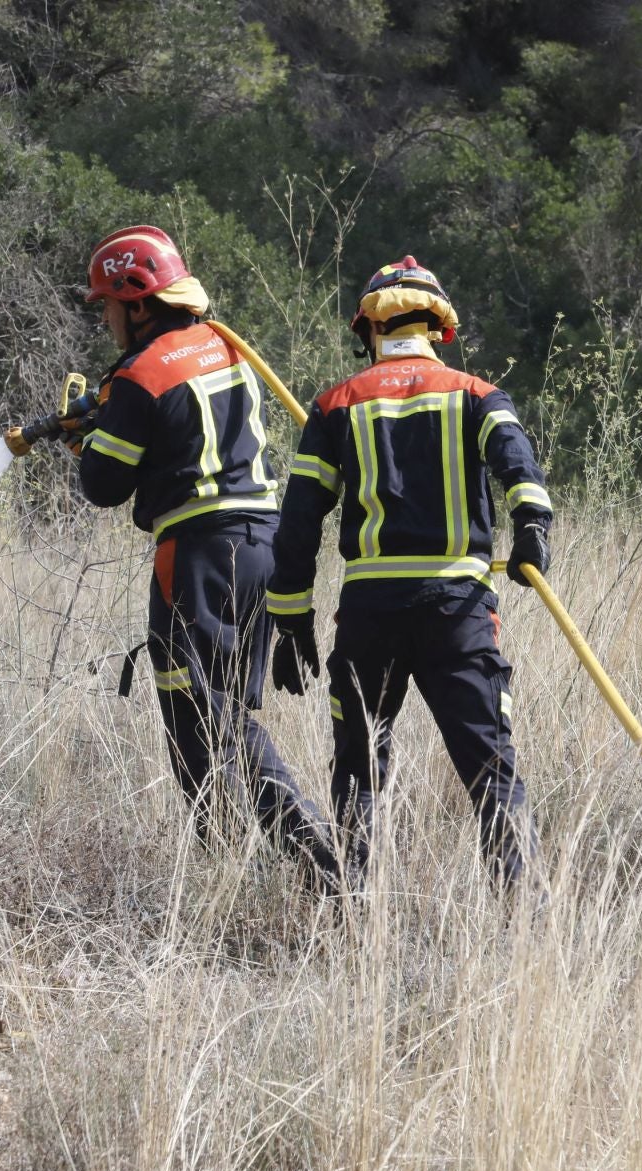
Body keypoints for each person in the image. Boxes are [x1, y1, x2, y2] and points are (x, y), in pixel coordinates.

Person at [266, 255, 551, 889]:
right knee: (491, 768)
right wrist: (532, 529)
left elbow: (299, 521)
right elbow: (519, 467)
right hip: (459, 611)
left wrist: (290, 618)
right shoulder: (478, 395)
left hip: (369, 617)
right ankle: (527, 916)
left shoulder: (336, 404)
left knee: (359, 769)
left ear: (370, 329)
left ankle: (355, 911)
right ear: (438, 328)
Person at [70, 224, 336, 883]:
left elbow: (104, 487)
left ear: (138, 301)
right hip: (263, 547)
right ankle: (232, 876)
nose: (104, 319)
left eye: (108, 304)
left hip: (198, 556)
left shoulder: (138, 375)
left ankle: (315, 859)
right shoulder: (226, 347)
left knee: (202, 716)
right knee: (220, 709)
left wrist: (85, 439)